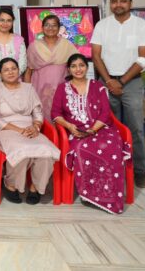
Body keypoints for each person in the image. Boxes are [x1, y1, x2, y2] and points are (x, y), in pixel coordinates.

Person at [51, 54, 131, 214]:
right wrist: (70, 127)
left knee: (110, 146)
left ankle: (110, 196)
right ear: (69, 69)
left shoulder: (97, 86)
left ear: (87, 68)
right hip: (76, 131)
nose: (78, 69)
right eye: (74, 66)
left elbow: (105, 113)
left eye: (81, 65)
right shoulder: (62, 88)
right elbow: (55, 113)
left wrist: (93, 130)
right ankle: (90, 193)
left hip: (101, 129)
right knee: (82, 148)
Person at [91, 0, 145, 188]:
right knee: (106, 127)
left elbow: (144, 57)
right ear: (110, 3)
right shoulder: (102, 25)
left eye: (123, 0)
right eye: (114, 1)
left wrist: (122, 81)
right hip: (106, 81)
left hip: (132, 83)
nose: (118, 4)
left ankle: (139, 171)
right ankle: (111, 166)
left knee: (136, 127)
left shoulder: (141, 25)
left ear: (130, 3)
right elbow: (96, 56)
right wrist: (109, 81)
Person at [0, 58, 60, 205]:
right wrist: (19, 130)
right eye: (6, 70)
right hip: (7, 129)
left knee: (46, 150)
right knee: (21, 150)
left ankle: (35, 187)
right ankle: (10, 185)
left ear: (18, 70)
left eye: (13, 68)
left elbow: (38, 113)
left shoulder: (28, 88)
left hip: (30, 128)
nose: (10, 72)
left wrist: (36, 127)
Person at [24, 14, 78, 120]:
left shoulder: (66, 45)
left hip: (61, 89)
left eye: (54, 25)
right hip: (39, 90)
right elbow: (28, 71)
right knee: (41, 118)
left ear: (59, 28)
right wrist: (27, 92)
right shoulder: (34, 46)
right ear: (42, 27)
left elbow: (77, 67)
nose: (50, 28)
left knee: (61, 118)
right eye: (47, 25)